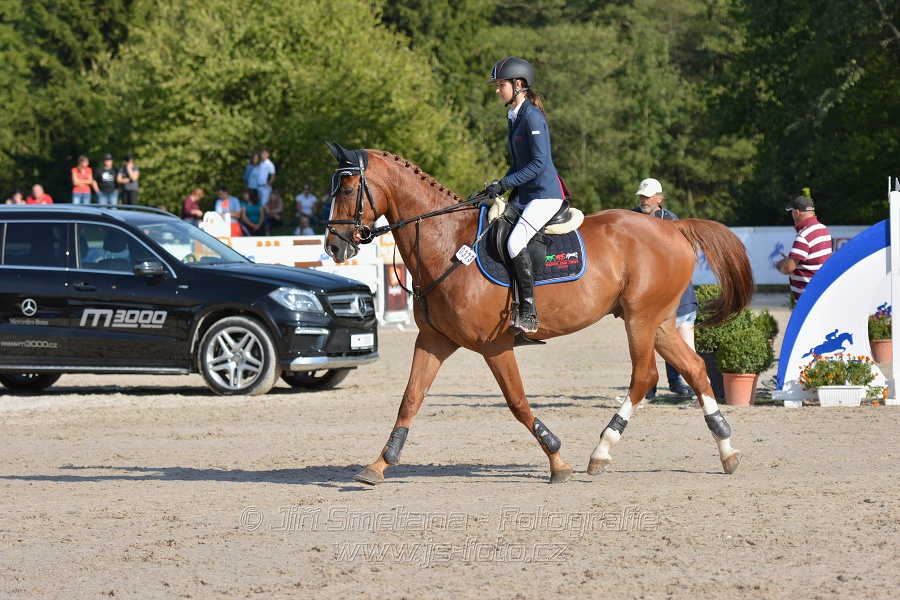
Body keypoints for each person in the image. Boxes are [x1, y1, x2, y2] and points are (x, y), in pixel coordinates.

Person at [482, 57, 565, 335]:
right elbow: (518, 165)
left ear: (518, 85)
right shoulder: (515, 116)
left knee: (516, 242)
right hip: (525, 195)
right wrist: (498, 185)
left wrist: (505, 182)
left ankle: (528, 311)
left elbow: (539, 164)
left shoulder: (532, 117)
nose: (497, 90)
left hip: (543, 195)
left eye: (501, 85)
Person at [632, 177, 698, 399]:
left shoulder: (671, 220)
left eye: (648, 196)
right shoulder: (631, 217)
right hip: (644, 291)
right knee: (646, 337)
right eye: (641, 196)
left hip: (669, 289)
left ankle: (676, 382)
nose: (644, 200)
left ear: (659, 198)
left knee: (671, 336)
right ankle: (648, 387)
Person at [776, 195, 833, 300]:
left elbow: (789, 268)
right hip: (821, 291)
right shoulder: (824, 229)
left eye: (792, 212)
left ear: (797, 212)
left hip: (807, 298)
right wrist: (789, 261)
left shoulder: (803, 235)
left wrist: (782, 266)